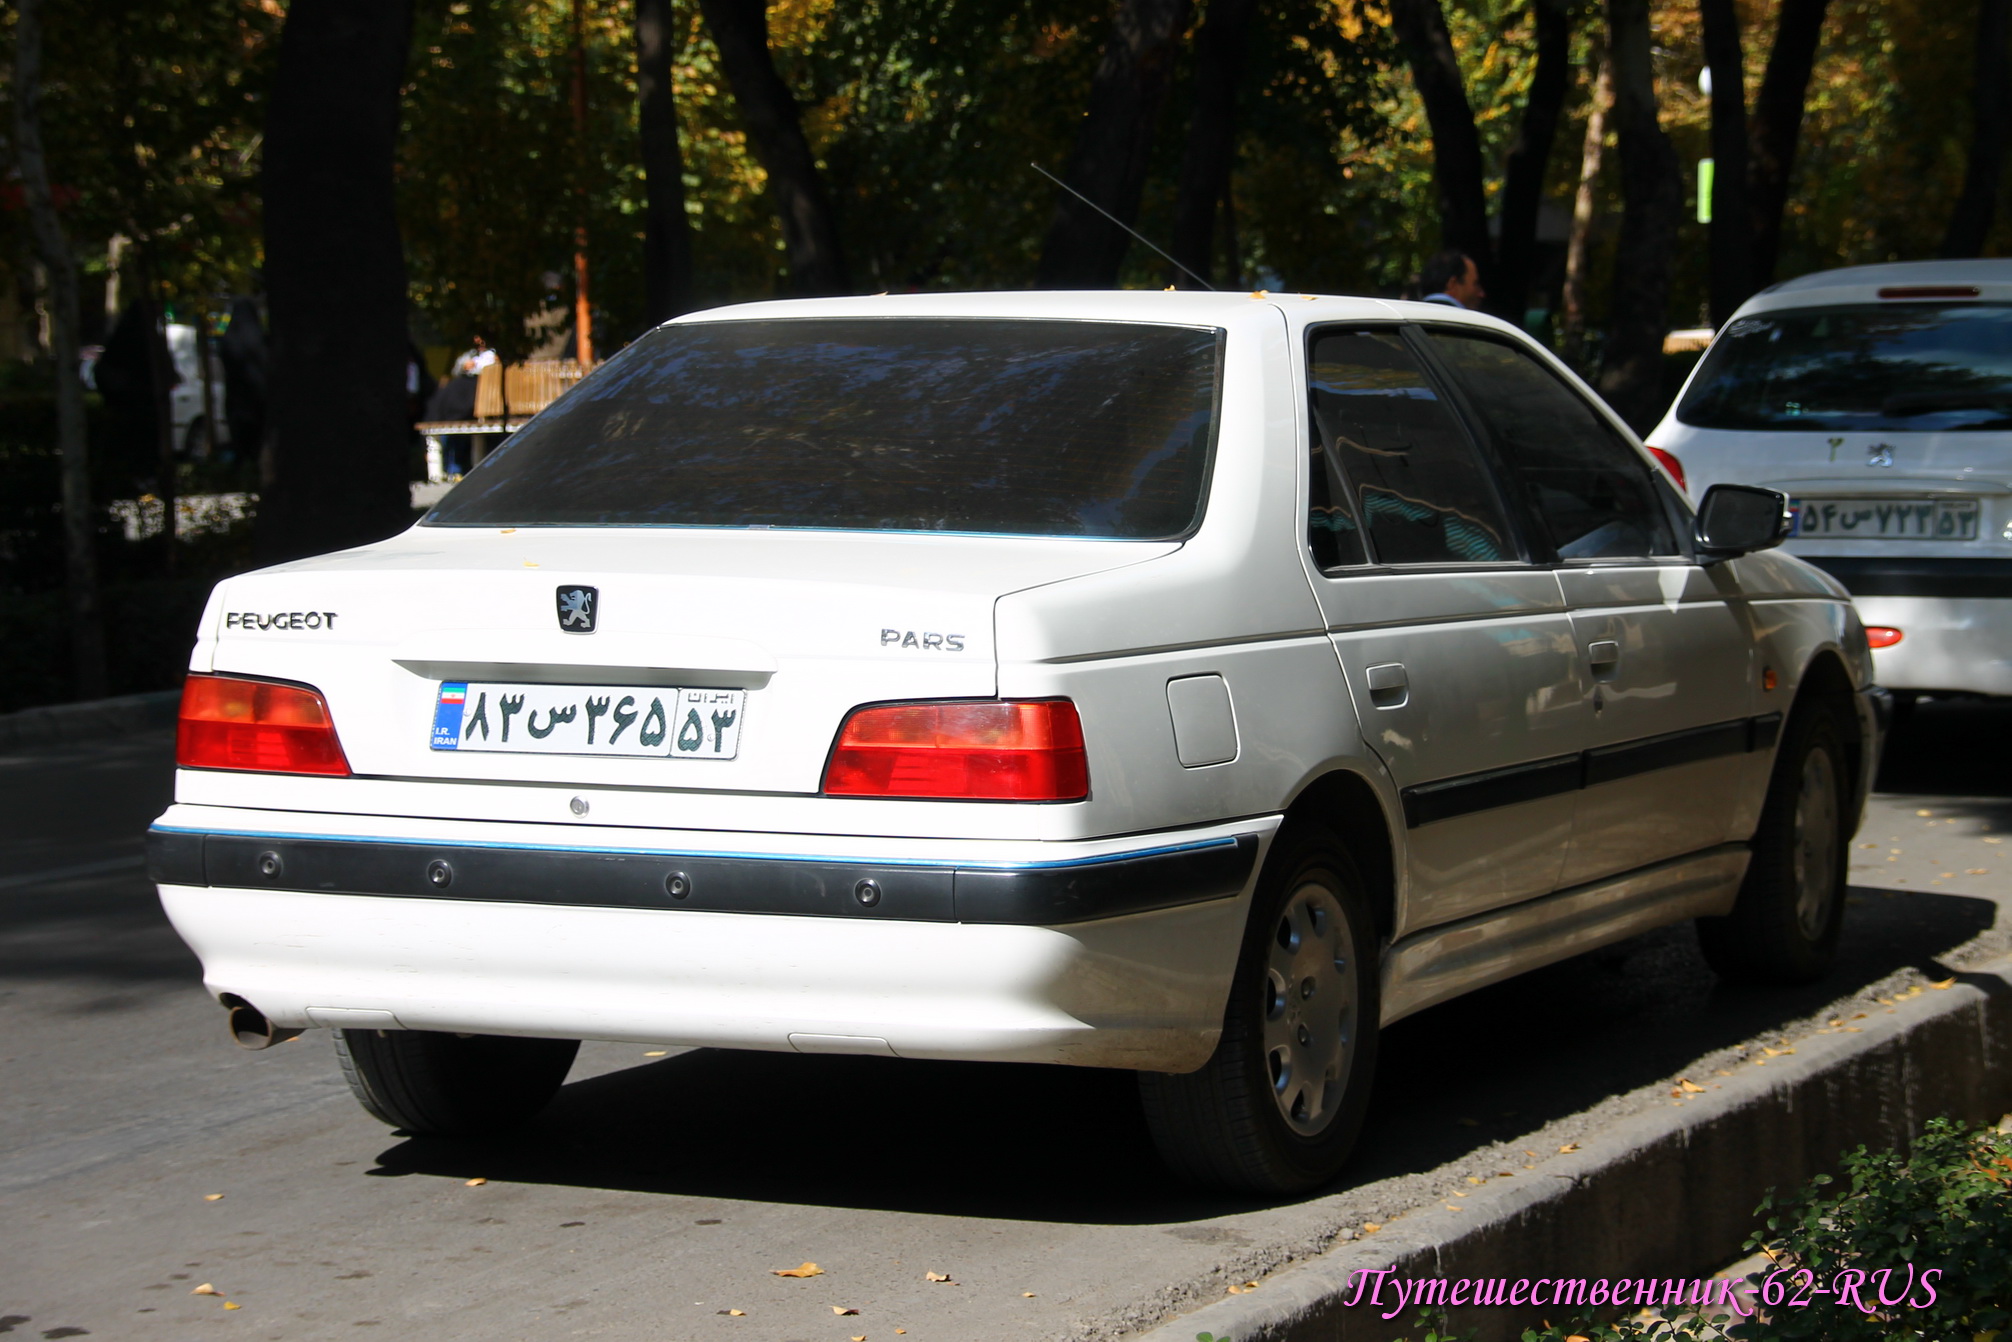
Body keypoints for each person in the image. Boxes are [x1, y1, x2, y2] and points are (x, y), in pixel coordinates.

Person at [1420, 250, 1485, 309]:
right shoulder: (1467, 317)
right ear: (1452, 284)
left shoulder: (1416, 313)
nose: (1481, 294)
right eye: (1475, 284)